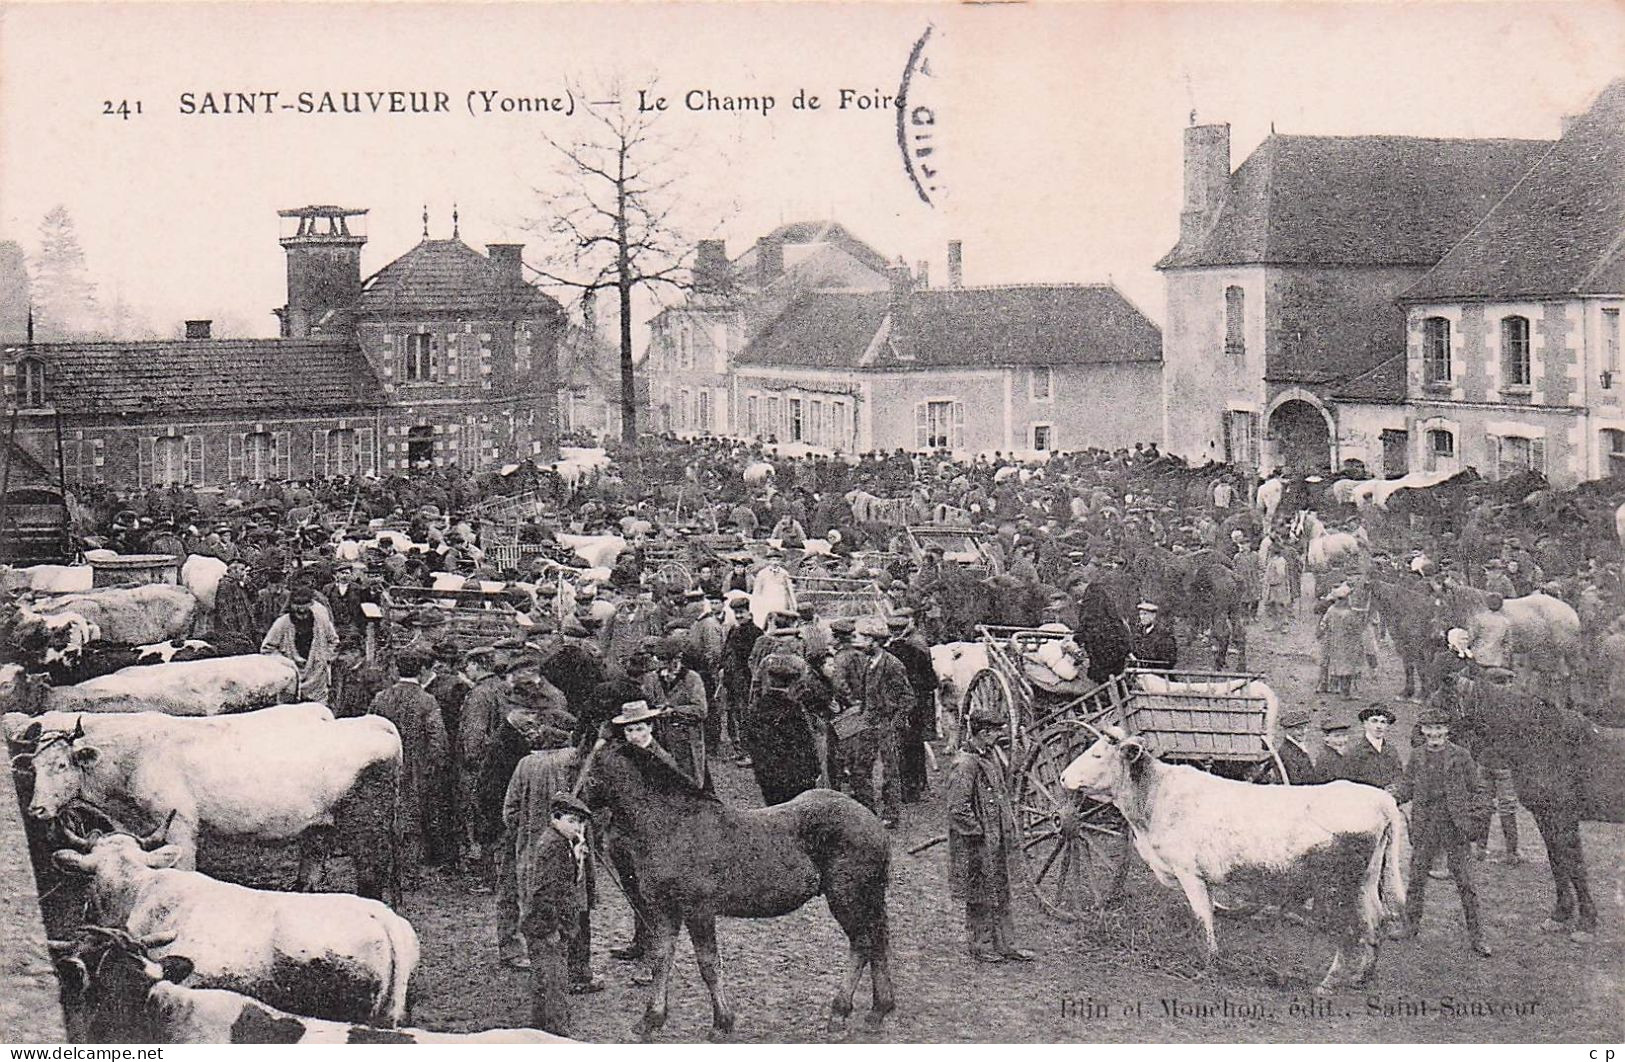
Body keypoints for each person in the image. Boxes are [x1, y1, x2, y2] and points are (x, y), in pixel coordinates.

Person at [1388, 706, 1493, 957]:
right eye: (1429, 728)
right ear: (1423, 731)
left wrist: (1474, 819)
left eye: (1439, 728)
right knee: (1416, 879)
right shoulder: (1416, 756)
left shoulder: (1462, 756)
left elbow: (1478, 790)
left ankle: (1478, 937)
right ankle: (1410, 927)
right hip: (1426, 825)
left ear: (1447, 730)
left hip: (1455, 827)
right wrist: (1390, 795)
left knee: (1466, 883)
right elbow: (1406, 786)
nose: (1434, 733)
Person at [946, 703, 1035, 964]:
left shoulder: (987, 757)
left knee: (1000, 890)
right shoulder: (965, 764)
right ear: (984, 733)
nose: (999, 736)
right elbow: (957, 809)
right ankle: (980, 945)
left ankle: (1006, 944)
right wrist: (979, 834)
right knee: (979, 894)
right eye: (996, 732)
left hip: (994, 840)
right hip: (976, 844)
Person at [513, 791, 599, 1034]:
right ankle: (557, 1037)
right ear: (556, 818)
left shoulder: (561, 842)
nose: (577, 827)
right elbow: (544, 892)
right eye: (572, 821)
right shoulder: (553, 845)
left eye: (581, 822)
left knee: (544, 987)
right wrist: (554, 929)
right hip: (547, 930)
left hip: (547, 928)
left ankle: (539, 1034)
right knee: (555, 989)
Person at [367, 648, 451, 881]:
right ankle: (408, 872)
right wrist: (438, 766)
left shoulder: (381, 698)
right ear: (422, 671)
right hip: (417, 768)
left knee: (384, 815)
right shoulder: (427, 701)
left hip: (384, 765)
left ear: (396, 669)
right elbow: (438, 739)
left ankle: (385, 866)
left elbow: (368, 730)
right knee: (413, 818)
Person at [847, 622, 911, 827]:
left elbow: (908, 698)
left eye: (865, 639)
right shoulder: (870, 662)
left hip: (886, 724)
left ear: (875, 642)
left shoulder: (892, 665)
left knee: (890, 771)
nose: (860, 642)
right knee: (860, 767)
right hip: (869, 721)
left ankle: (891, 815)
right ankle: (867, 811)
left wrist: (895, 723)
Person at [744, 653, 821, 805]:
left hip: (768, 776)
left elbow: (751, 743)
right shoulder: (794, 709)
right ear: (791, 683)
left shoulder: (757, 708)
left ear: (771, 680)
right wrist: (814, 770)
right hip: (795, 778)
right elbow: (806, 743)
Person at [641, 636, 709, 788]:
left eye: (666, 660)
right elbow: (646, 702)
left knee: (690, 782)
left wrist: (674, 711)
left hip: (687, 739)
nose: (662, 665)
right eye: (659, 659)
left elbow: (701, 710)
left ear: (678, 658)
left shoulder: (692, 678)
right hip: (660, 738)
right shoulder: (652, 678)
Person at [260, 586, 340, 702]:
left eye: (304, 604)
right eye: (297, 604)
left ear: (311, 603)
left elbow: (334, 641)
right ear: (291, 604)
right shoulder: (282, 623)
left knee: (317, 713)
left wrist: (324, 657)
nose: (301, 609)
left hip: (316, 679)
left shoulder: (321, 620)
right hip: (290, 680)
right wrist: (285, 663)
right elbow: (267, 649)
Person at [1340, 705, 1404, 788]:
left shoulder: (1391, 751)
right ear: (1365, 723)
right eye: (1374, 721)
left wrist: (1395, 788)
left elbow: (1399, 776)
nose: (1379, 726)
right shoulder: (1354, 752)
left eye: (1383, 722)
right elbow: (1348, 784)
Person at [1275, 707, 1317, 785]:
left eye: (1305, 728)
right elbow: (1296, 781)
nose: (1304, 732)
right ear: (1288, 730)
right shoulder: (1288, 752)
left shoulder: (1297, 748)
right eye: (1299, 729)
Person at [1131, 601, 1178, 670]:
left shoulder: (1164, 635)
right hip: (1140, 674)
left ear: (1153, 616)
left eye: (1145, 614)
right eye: (1141, 614)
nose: (1142, 617)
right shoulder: (1139, 634)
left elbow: (1169, 660)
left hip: (1159, 674)